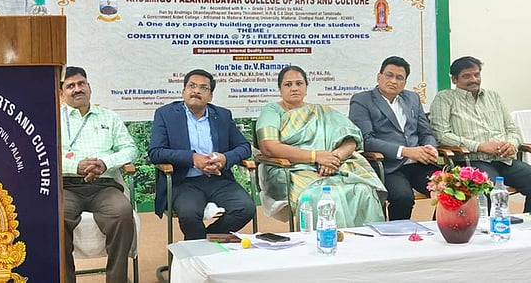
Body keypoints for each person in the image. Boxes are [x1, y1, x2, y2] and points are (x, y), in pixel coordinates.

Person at [256, 65, 386, 228]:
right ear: (280, 90)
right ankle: (325, 240)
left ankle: (364, 241)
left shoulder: (321, 111)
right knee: (324, 196)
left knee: (363, 191)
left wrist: (334, 158)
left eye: (299, 83)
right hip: (291, 170)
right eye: (288, 84)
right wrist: (315, 157)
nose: (294, 88)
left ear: (306, 87)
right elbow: (269, 146)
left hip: (333, 168)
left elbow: (350, 140)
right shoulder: (272, 111)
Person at [148, 69, 255, 240]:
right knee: (189, 214)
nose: (196, 91)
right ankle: (202, 248)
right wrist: (192, 159)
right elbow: (155, 152)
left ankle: (204, 242)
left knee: (245, 208)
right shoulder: (166, 114)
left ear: (210, 96)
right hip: (183, 181)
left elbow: (244, 147)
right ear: (183, 91)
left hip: (218, 179)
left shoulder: (222, 115)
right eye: (192, 86)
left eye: (203, 88)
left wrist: (224, 159)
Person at [60, 66, 137, 283]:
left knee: (122, 212)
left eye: (81, 83)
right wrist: (76, 166)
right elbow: (46, 153)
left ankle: (117, 279)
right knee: (58, 216)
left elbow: (131, 149)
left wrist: (105, 163)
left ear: (89, 87)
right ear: (62, 93)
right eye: (70, 86)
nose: (77, 89)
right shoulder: (53, 118)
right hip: (67, 185)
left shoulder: (109, 117)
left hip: (104, 185)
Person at [429, 56, 531, 212]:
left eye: (476, 74)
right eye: (466, 76)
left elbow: (512, 129)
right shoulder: (445, 98)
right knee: (489, 190)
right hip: (472, 161)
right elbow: (441, 135)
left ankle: (527, 224)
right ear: (454, 79)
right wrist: (479, 146)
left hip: (504, 160)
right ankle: (491, 226)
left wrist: (511, 144)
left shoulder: (493, 97)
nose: (474, 79)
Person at [349, 56, 440, 220]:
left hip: (419, 164)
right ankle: (398, 234)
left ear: (405, 83)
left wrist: (430, 147)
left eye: (399, 78)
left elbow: (425, 133)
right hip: (388, 165)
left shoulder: (412, 98)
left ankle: (440, 229)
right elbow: (366, 140)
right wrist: (405, 151)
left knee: (450, 189)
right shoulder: (362, 100)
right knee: (403, 198)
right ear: (379, 77)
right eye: (389, 75)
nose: (393, 81)